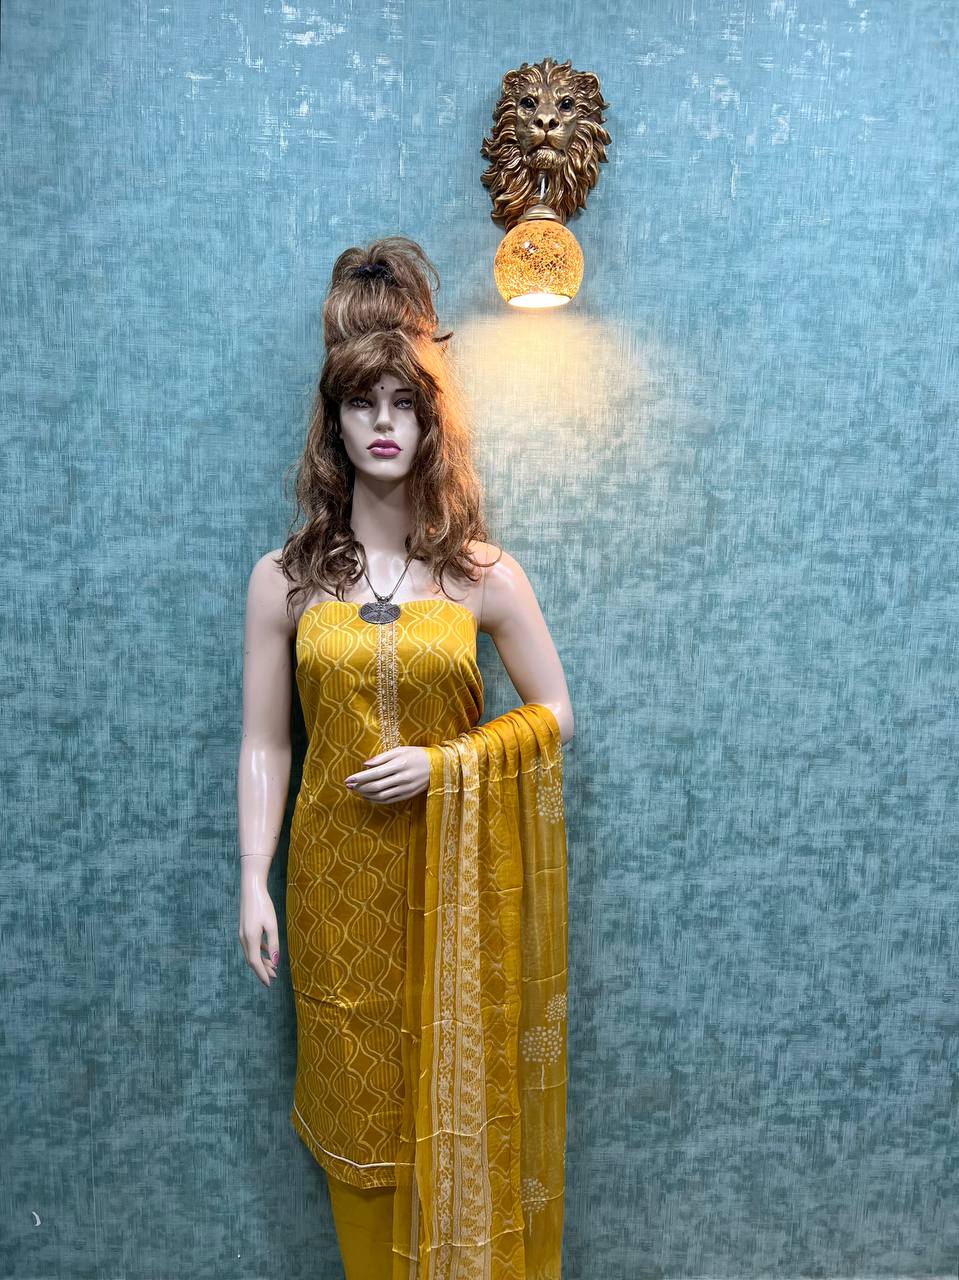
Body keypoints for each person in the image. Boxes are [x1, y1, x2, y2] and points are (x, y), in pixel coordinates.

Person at [237, 235, 574, 1279]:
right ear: (332, 423)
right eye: (361, 403)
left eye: (403, 403)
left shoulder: (479, 575)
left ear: (430, 424)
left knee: (455, 1112)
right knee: (360, 1123)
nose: (383, 423)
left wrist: (446, 765)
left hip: (452, 892)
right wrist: (252, 877)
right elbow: (264, 740)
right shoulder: (284, 580)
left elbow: (556, 712)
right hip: (334, 896)